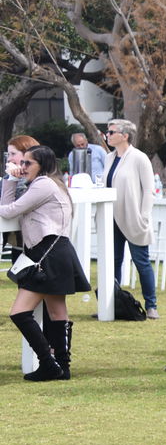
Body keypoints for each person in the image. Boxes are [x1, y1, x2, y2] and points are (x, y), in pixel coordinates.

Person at [2, 145, 91, 380]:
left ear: (42, 164)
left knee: (20, 312)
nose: (23, 167)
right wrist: (13, 179)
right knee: (56, 311)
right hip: (56, 250)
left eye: (27, 163)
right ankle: (62, 366)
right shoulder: (52, 183)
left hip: (47, 253)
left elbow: (9, 210)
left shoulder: (43, 184)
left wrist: (10, 179)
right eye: (22, 163)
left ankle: (48, 363)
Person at [102, 119, 159, 318]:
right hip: (112, 217)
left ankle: (151, 305)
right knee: (113, 262)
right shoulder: (109, 158)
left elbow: (149, 190)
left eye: (111, 132)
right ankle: (112, 304)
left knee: (141, 261)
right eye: (107, 132)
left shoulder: (139, 158)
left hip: (134, 217)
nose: (107, 135)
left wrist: (144, 216)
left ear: (125, 136)